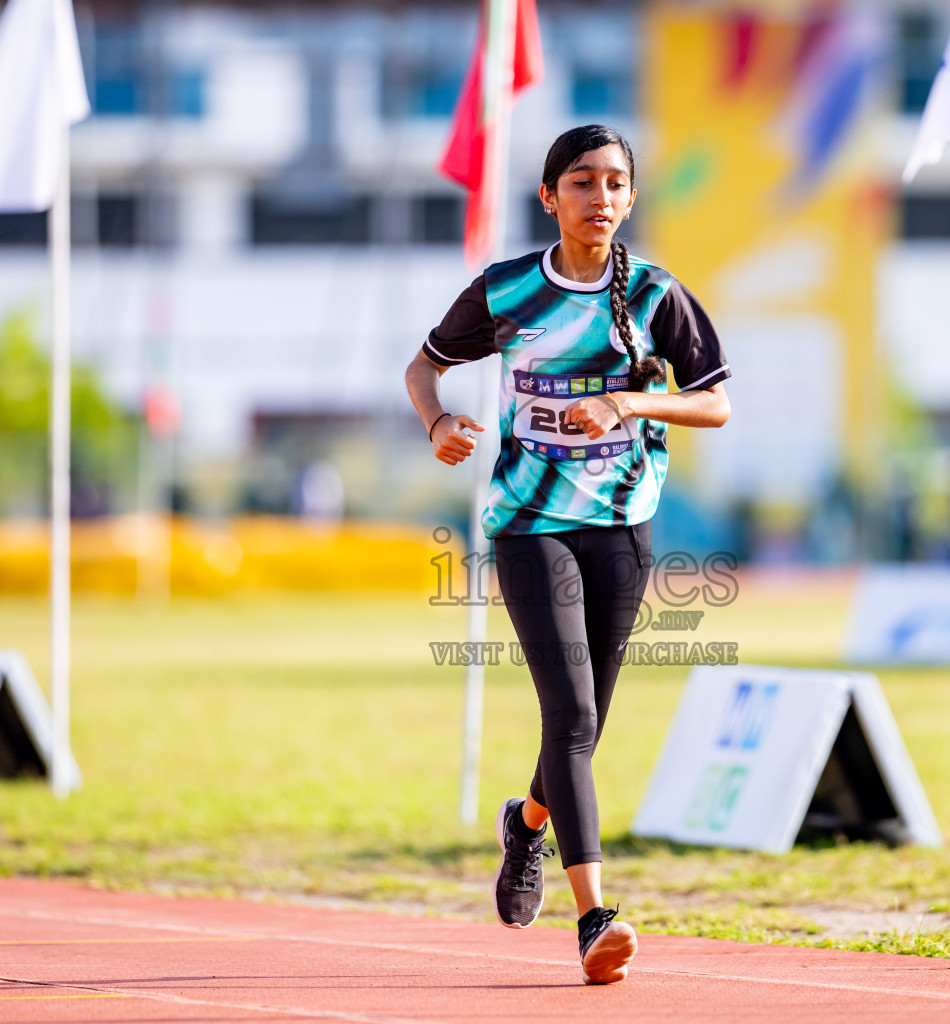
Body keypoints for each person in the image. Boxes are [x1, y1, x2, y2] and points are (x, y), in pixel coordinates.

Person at [403, 124, 732, 985]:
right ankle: (595, 921)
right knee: (574, 716)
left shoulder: (660, 295)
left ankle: (528, 824)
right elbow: (423, 367)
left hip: (623, 525)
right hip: (528, 524)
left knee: (585, 722)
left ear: (630, 197)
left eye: (615, 183)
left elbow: (715, 407)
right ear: (550, 196)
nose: (600, 197)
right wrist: (438, 421)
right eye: (580, 183)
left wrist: (628, 402)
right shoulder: (509, 289)